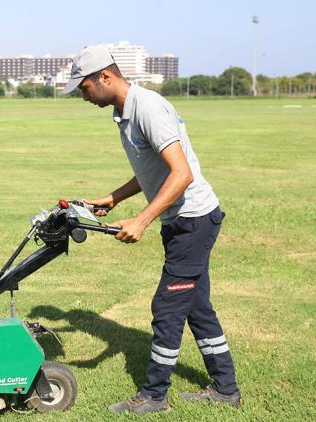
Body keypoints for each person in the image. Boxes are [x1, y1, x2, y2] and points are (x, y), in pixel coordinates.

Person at [62, 45, 241, 414]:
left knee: (167, 308)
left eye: (84, 88)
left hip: (193, 221)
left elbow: (181, 173)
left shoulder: (147, 108)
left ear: (105, 77)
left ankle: (154, 395)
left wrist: (141, 220)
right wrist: (114, 198)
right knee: (197, 308)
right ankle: (226, 389)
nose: (83, 96)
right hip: (182, 221)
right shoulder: (124, 112)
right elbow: (153, 170)